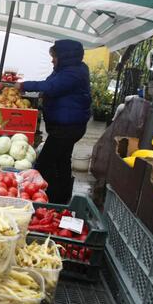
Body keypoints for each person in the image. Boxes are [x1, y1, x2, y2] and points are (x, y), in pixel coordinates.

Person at [20, 39, 92, 204]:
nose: (52, 60)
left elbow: (50, 86)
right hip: (65, 126)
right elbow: (51, 85)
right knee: (62, 161)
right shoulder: (66, 69)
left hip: (66, 129)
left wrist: (22, 86)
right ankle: (60, 197)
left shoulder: (73, 73)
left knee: (44, 164)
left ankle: (44, 199)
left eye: (55, 56)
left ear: (65, 57)